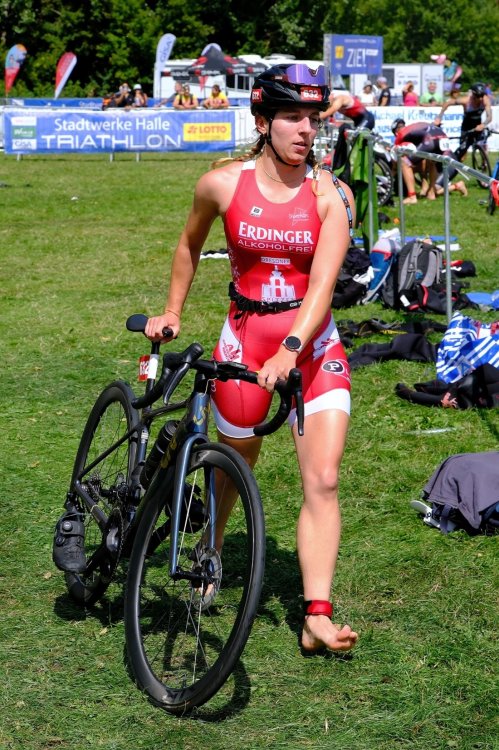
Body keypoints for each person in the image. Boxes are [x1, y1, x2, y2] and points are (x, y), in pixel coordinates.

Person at [144, 63, 359, 654]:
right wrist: (172, 311)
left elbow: (323, 285)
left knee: (324, 477)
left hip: (311, 348)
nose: (306, 129)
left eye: (312, 118)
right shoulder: (221, 184)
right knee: (233, 465)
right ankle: (210, 549)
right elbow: (189, 243)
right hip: (244, 341)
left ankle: (316, 614)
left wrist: (291, 349)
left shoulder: (333, 194)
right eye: (292, 117)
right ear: (262, 121)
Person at [392, 118, 467, 203]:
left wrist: (391, 176)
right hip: (442, 137)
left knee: (405, 163)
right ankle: (431, 192)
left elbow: (396, 162)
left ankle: (412, 197)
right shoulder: (414, 129)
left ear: (396, 132)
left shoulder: (400, 135)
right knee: (430, 162)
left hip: (441, 154)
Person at [434, 82, 492, 161]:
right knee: (461, 154)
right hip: (466, 127)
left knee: (484, 146)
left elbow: (489, 117)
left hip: (478, 125)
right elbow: (448, 103)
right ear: (473, 95)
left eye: (482, 96)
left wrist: (483, 124)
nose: (480, 99)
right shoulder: (466, 101)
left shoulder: (485, 100)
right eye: (478, 96)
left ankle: (484, 164)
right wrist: (439, 117)